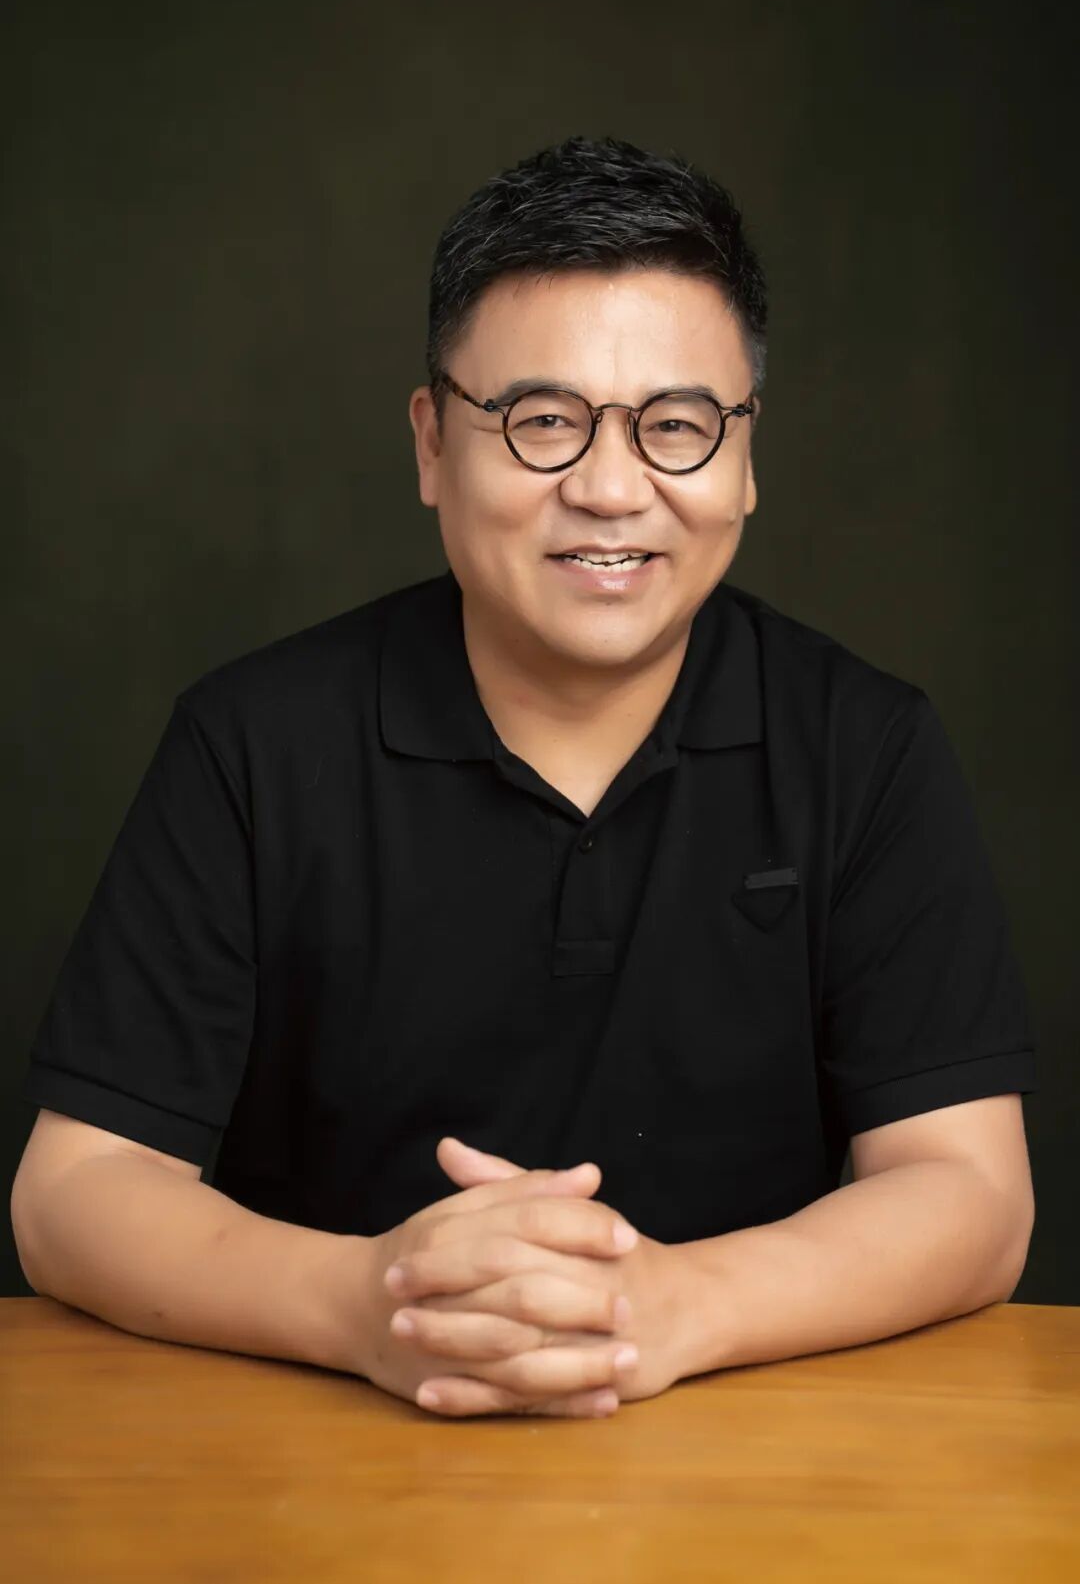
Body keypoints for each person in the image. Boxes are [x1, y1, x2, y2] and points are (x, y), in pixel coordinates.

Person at [11, 136, 1037, 1422]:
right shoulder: (252, 741)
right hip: (316, 1449)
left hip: (748, 1449)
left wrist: (674, 1307)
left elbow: (973, 1193)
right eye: (544, 422)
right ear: (432, 443)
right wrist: (369, 1301)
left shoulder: (863, 744)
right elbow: (72, 1193)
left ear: (746, 458)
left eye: (677, 426)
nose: (609, 489)